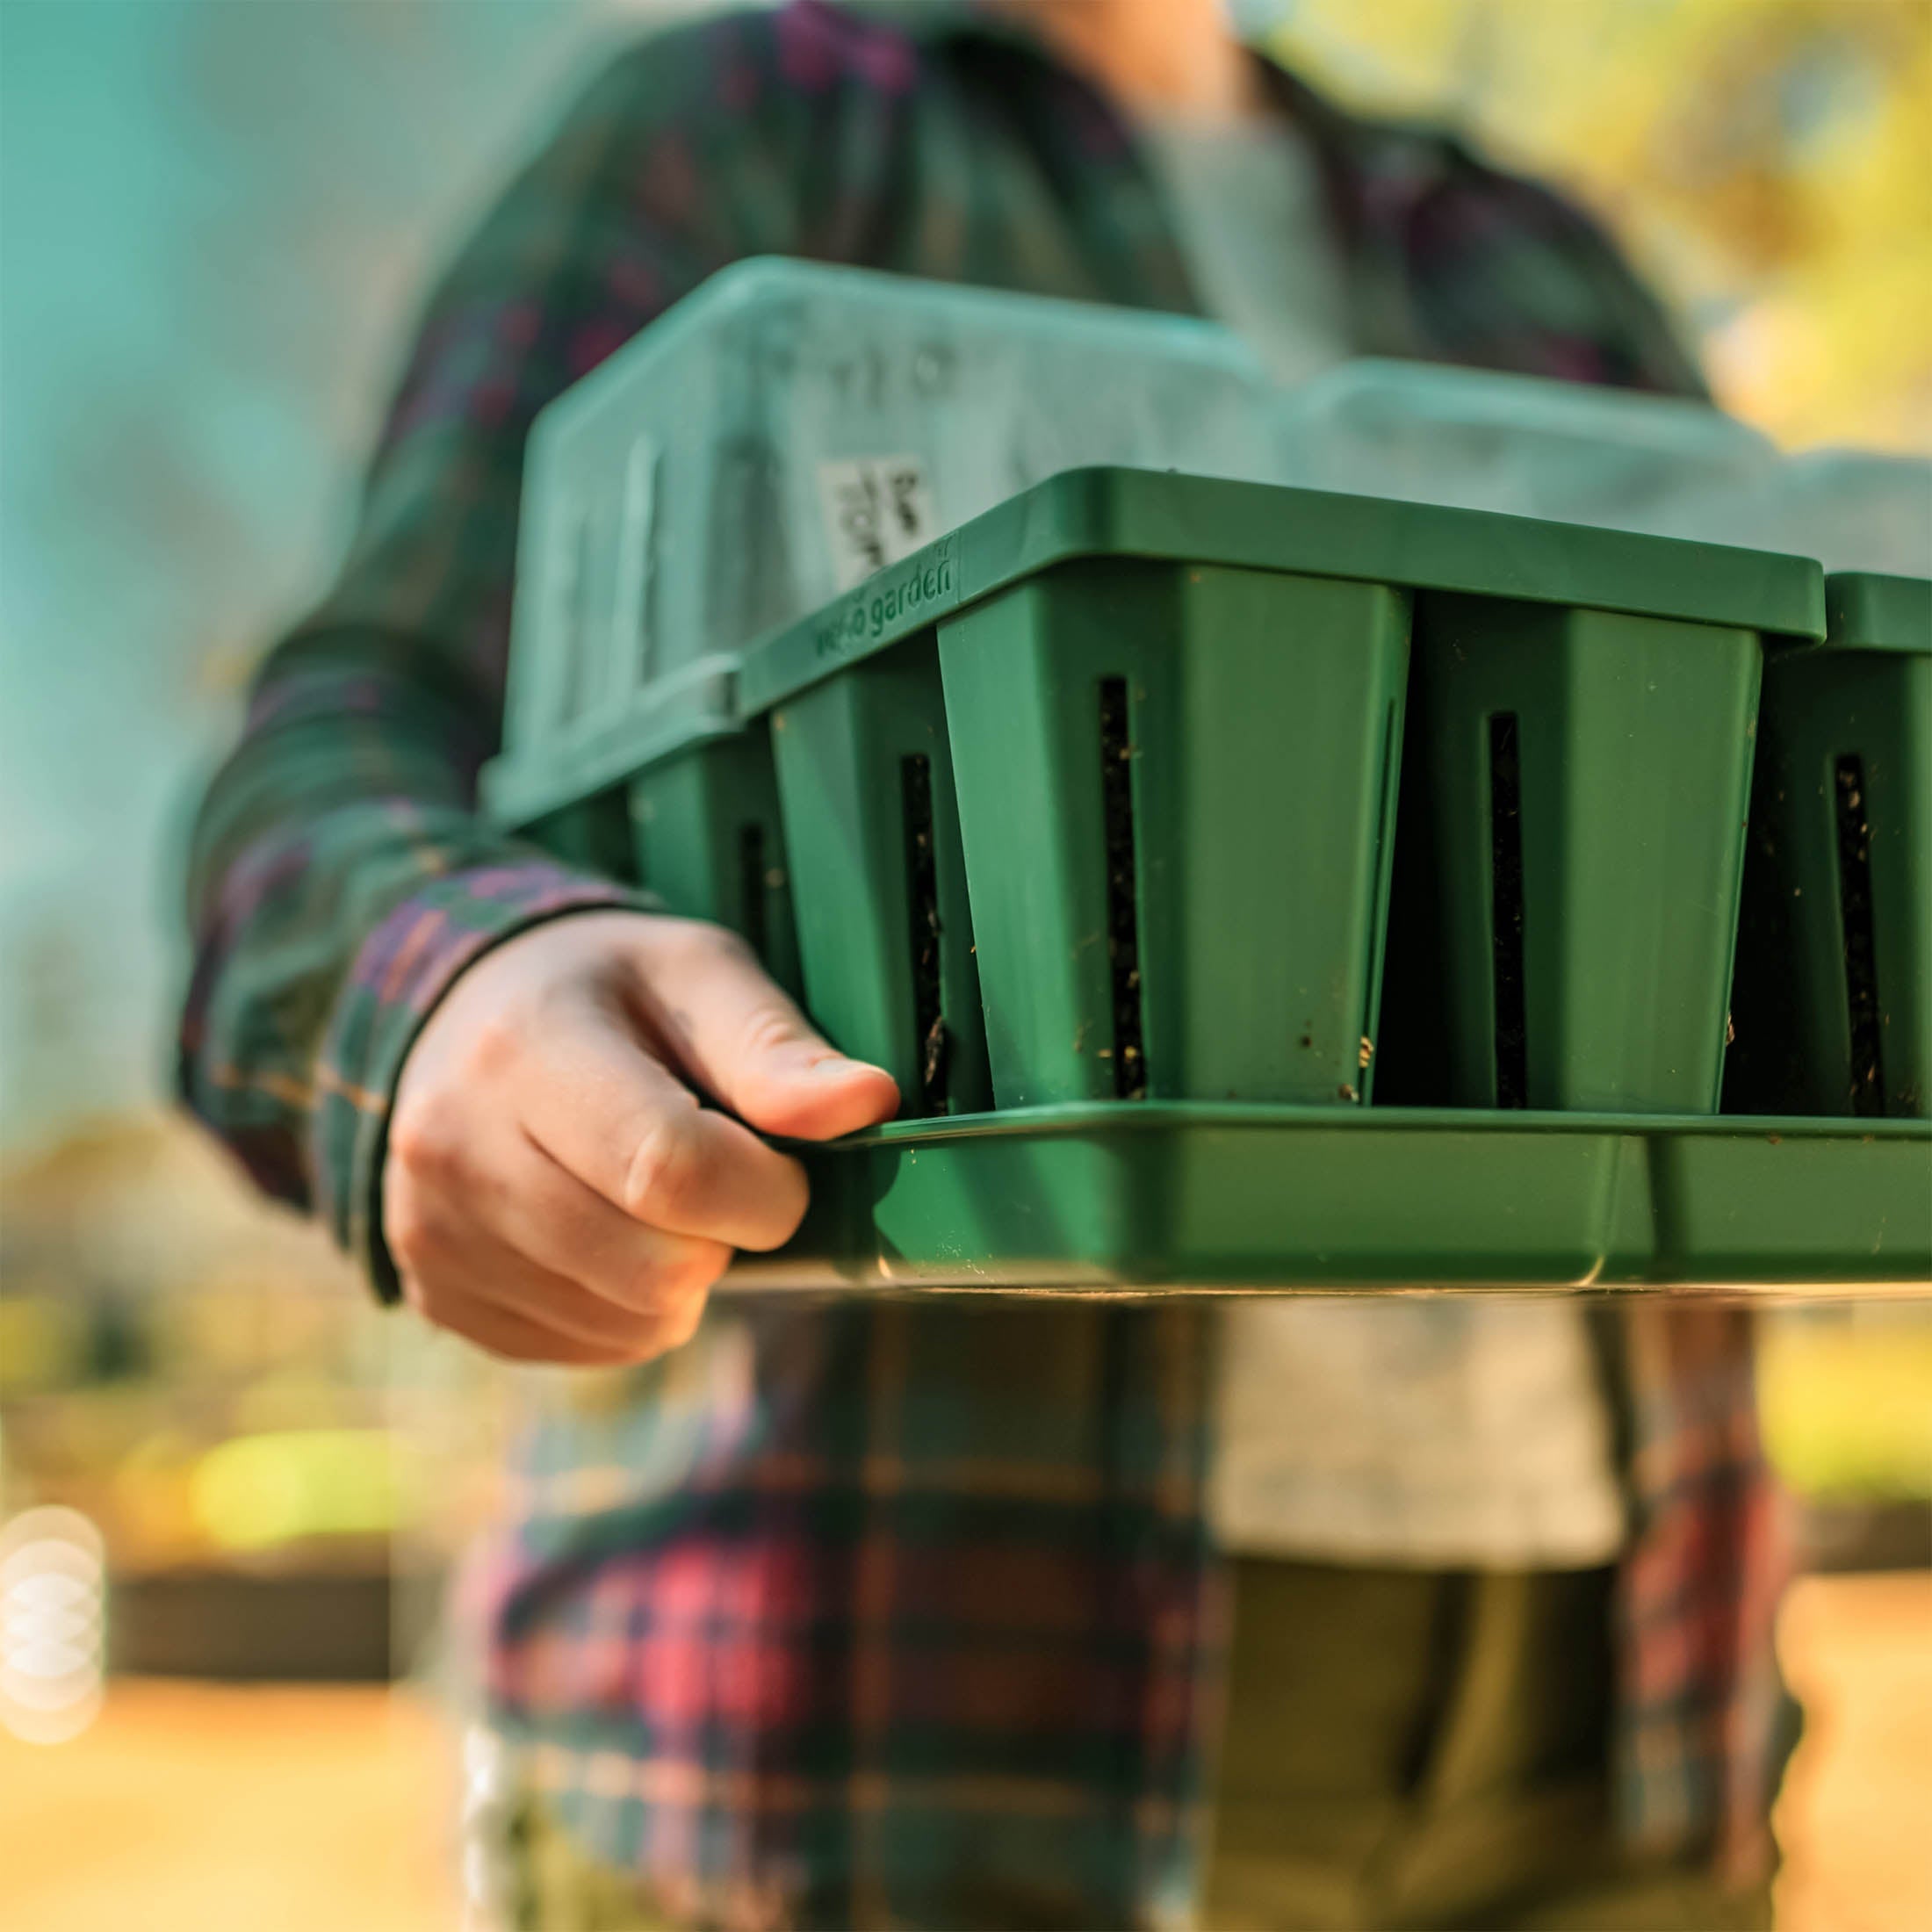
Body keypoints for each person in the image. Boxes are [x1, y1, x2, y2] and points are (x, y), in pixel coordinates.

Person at [178, 3, 1791, 1926]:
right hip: (877, 1728)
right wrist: (448, 983)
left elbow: (1789, 743)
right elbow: (348, 734)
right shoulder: (754, 126)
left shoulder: (1527, 246)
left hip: (1610, 1715)